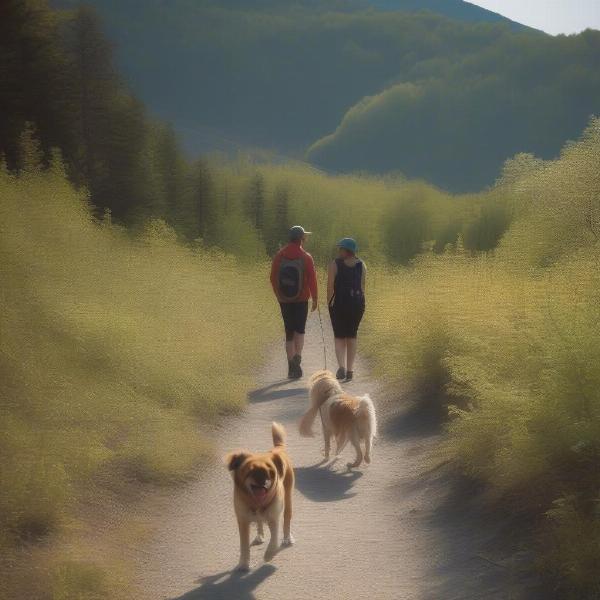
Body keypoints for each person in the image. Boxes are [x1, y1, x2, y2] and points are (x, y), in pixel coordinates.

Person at [270, 225, 318, 379]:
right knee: (300, 330)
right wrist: (315, 298)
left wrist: (279, 294)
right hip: (302, 298)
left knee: (289, 332)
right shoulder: (306, 257)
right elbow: (312, 279)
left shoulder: (280, 255)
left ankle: (291, 364)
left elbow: (272, 277)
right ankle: (298, 357)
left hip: (284, 299)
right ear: (301, 238)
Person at [327, 237, 366, 381]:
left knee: (339, 337)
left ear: (346, 250)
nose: (339, 251)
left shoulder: (334, 264)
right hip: (357, 305)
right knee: (352, 336)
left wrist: (329, 303)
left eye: (341, 248)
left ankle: (341, 367)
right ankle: (350, 371)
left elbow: (330, 287)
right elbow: (362, 288)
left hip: (339, 305)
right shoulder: (362, 265)